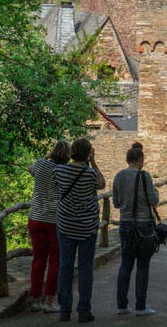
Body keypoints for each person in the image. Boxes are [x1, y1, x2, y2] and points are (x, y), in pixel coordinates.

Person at [54, 138, 106, 323]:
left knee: (65, 267)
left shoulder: (59, 171)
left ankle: (64, 310)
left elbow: (56, 188)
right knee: (85, 269)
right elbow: (102, 184)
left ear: (71, 153)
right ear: (87, 153)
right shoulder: (90, 173)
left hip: (65, 225)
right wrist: (93, 161)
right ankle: (84, 310)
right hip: (87, 227)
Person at [113, 142, 159, 316]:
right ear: (139, 159)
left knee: (125, 264)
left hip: (125, 224)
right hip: (144, 224)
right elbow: (153, 201)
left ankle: (122, 305)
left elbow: (116, 203)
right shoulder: (144, 176)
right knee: (143, 265)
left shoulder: (119, 176)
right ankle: (141, 305)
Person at [27, 141, 70, 314]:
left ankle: (35, 298)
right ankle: (49, 301)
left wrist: (47, 156)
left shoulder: (41, 165)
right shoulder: (64, 171)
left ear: (52, 153)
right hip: (55, 220)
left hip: (36, 218)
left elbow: (30, 168)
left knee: (38, 260)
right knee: (54, 261)